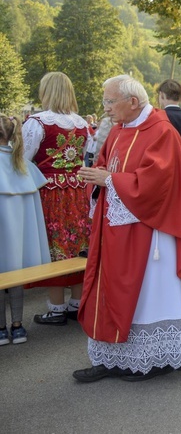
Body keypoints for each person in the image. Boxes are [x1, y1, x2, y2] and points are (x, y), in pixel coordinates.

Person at [73, 74, 181, 382]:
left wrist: (109, 180)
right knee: (111, 287)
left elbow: (157, 183)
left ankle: (154, 359)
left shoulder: (162, 132)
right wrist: (96, 176)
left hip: (151, 234)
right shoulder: (119, 130)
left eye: (110, 101)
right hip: (117, 229)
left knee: (148, 294)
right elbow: (107, 165)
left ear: (132, 102)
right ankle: (112, 358)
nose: (106, 108)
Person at [22, 71, 91, 325]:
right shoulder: (82, 123)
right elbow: (84, 156)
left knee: (53, 245)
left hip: (49, 191)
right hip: (76, 190)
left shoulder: (37, 122)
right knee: (76, 244)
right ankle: (76, 303)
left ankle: (57, 308)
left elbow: (24, 160)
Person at [0, 114, 51, 345]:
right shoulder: (24, 164)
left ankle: (1, 329)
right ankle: (18, 327)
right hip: (21, 235)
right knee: (16, 274)